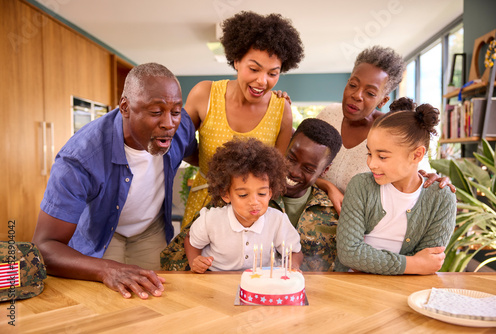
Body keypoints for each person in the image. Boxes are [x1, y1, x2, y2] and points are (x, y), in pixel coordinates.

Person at [32, 63, 197, 299]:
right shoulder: (80, 158)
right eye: (155, 111)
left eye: (175, 111)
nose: (169, 123)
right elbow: (44, 246)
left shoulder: (180, 128)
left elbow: (195, 153)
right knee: (104, 303)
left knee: (157, 300)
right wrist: (106, 269)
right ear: (125, 107)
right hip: (100, 233)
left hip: (151, 229)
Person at [181, 11, 304, 227]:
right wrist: (205, 166)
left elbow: (277, 173)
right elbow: (177, 145)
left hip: (252, 216)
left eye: (273, 73)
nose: (262, 81)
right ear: (236, 60)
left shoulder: (281, 109)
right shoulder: (205, 94)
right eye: (254, 69)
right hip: (204, 208)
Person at [316, 46, 454, 212]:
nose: (357, 95)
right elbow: (299, 166)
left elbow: (419, 177)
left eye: (370, 93)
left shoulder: (395, 132)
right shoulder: (328, 115)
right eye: (353, 85)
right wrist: (329, 187)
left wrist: (434, 180)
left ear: (383, 101)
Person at [335, 98, 456, 275]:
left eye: (382, 157)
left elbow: (430, 260)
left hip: (407, 289)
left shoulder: (441, 198)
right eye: (369, 153)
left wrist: (367, 259)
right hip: (353, 284)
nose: (371, 164)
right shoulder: (361, 185)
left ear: (417, 155)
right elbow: (349, 253)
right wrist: (413, 264)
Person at [184, 137, 303, 273]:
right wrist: (195, 261)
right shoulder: (211, 220)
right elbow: (191, 240)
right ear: (226, 194)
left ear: (270, 192)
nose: (254, 202)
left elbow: (294, 252)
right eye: (243, 195)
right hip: (216, 281)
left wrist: (292, 266)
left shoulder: (277, 221)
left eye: (262, 194)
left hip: (259, 285)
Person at [269, 118, 342, 271]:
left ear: (325, 170)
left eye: (308, 169)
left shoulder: (335, 215)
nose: (294, 172)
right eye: (290, 159)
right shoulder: (250, 196)